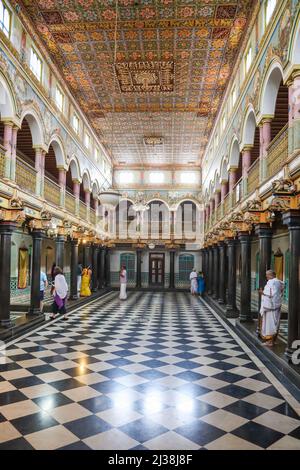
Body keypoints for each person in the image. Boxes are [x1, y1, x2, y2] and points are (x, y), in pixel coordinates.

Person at [259, 269, 284, 347]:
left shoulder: (272, 282)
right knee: (275, 323)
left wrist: (262, 293)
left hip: (271, 306)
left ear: (270, 275)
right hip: (275, 305)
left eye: (267, 275)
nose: (266, 276)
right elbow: (278, 293)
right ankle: (273, 340)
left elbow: (272, 294)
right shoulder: (278, 282)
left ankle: (270, 342)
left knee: (270, 324)